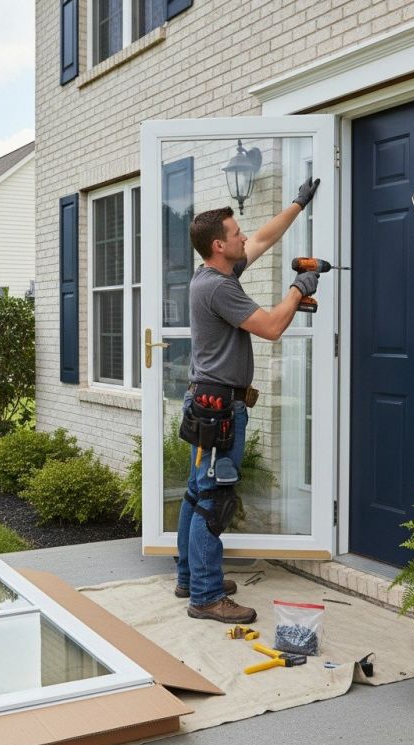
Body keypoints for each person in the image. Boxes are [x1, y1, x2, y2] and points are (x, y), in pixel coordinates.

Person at [176, 177, 321, 623]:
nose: (243, 236)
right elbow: (273, 327)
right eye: (235, 233)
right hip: (219, 409)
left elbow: (262, 237)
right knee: (212, 502)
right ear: (219, 245)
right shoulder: (219, 288)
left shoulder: (216, 273)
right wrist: (299, 287)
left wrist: (297, 205)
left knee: (196, 495)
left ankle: (189, 576)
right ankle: (205, 596)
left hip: (208, 402)